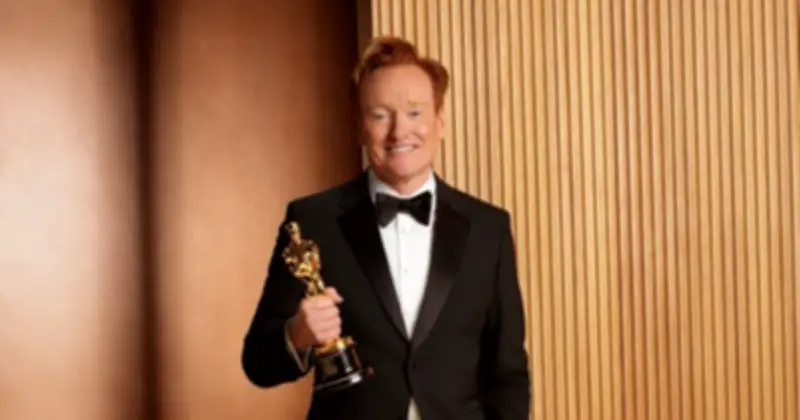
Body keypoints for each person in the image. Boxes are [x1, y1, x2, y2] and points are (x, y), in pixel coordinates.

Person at [241, 36, 530, 420]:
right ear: (361, 127)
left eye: (414, 112)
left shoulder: (488, 228)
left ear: (440, 121)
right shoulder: (311, 221)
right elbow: (257, 362)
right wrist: (297, 334)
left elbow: (508, 373)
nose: (399, 132)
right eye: (380, 115)